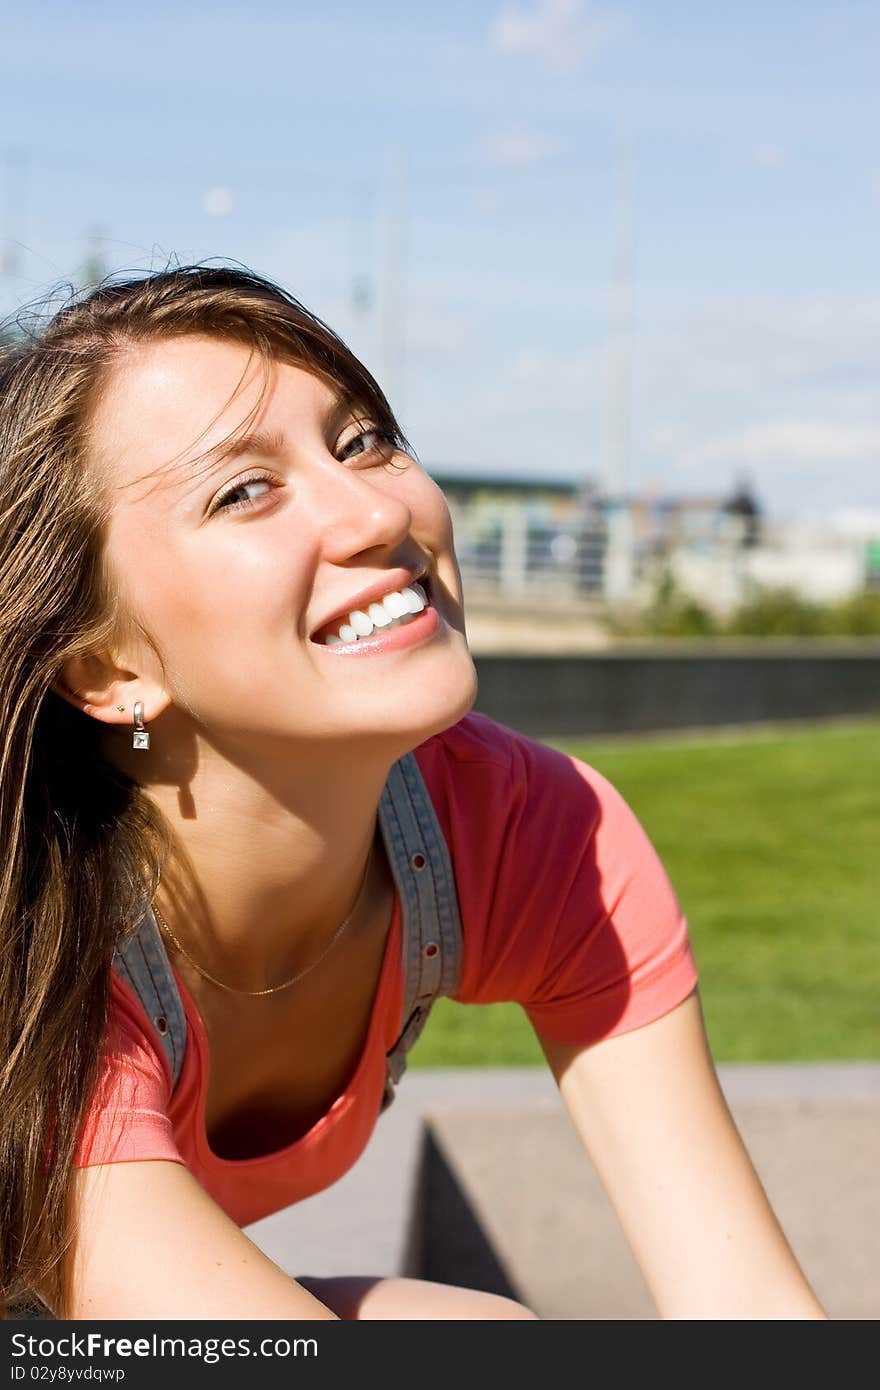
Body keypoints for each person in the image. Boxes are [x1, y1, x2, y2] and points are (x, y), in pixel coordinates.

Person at [0, 265, 826, 1322]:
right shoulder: (38, 925)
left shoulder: (530, 829)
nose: (371, 511)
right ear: (107, 671)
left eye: (362, 442)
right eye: (244, 490)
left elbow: (745, 1307)